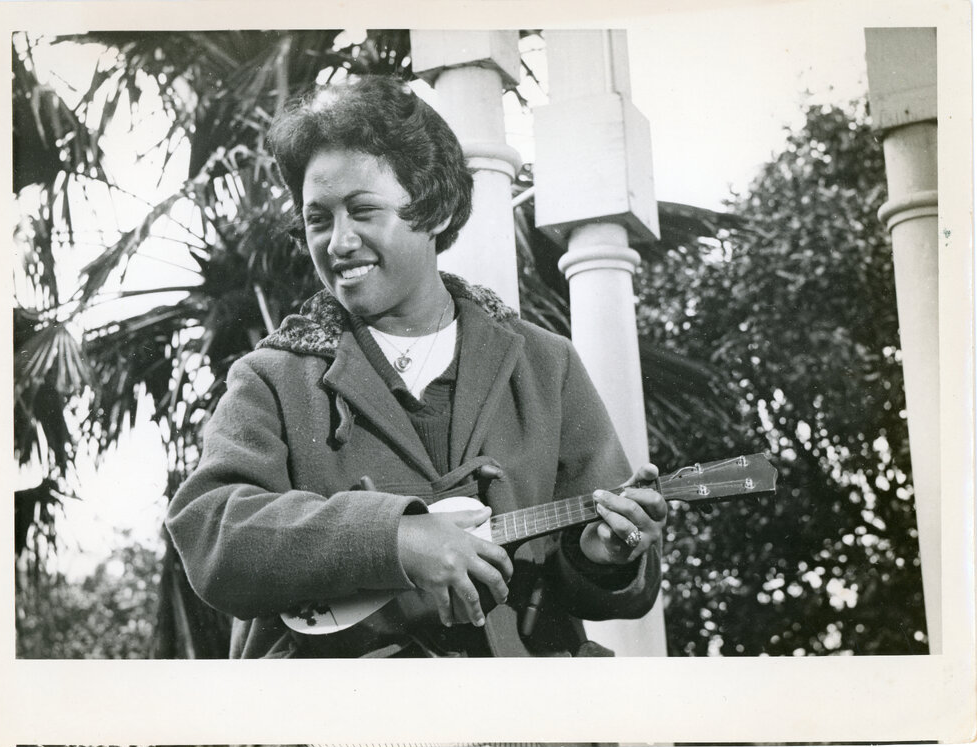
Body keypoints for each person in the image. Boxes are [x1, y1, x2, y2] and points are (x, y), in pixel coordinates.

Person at [166, 75, 667, 658]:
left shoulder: (544, 364)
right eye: (318, 219)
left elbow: (609, 588)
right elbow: (211, 533)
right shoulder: (272, 377)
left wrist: (603, 557)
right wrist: (394, 540)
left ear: (435, 208)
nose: (338, 242)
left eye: (362, 210)